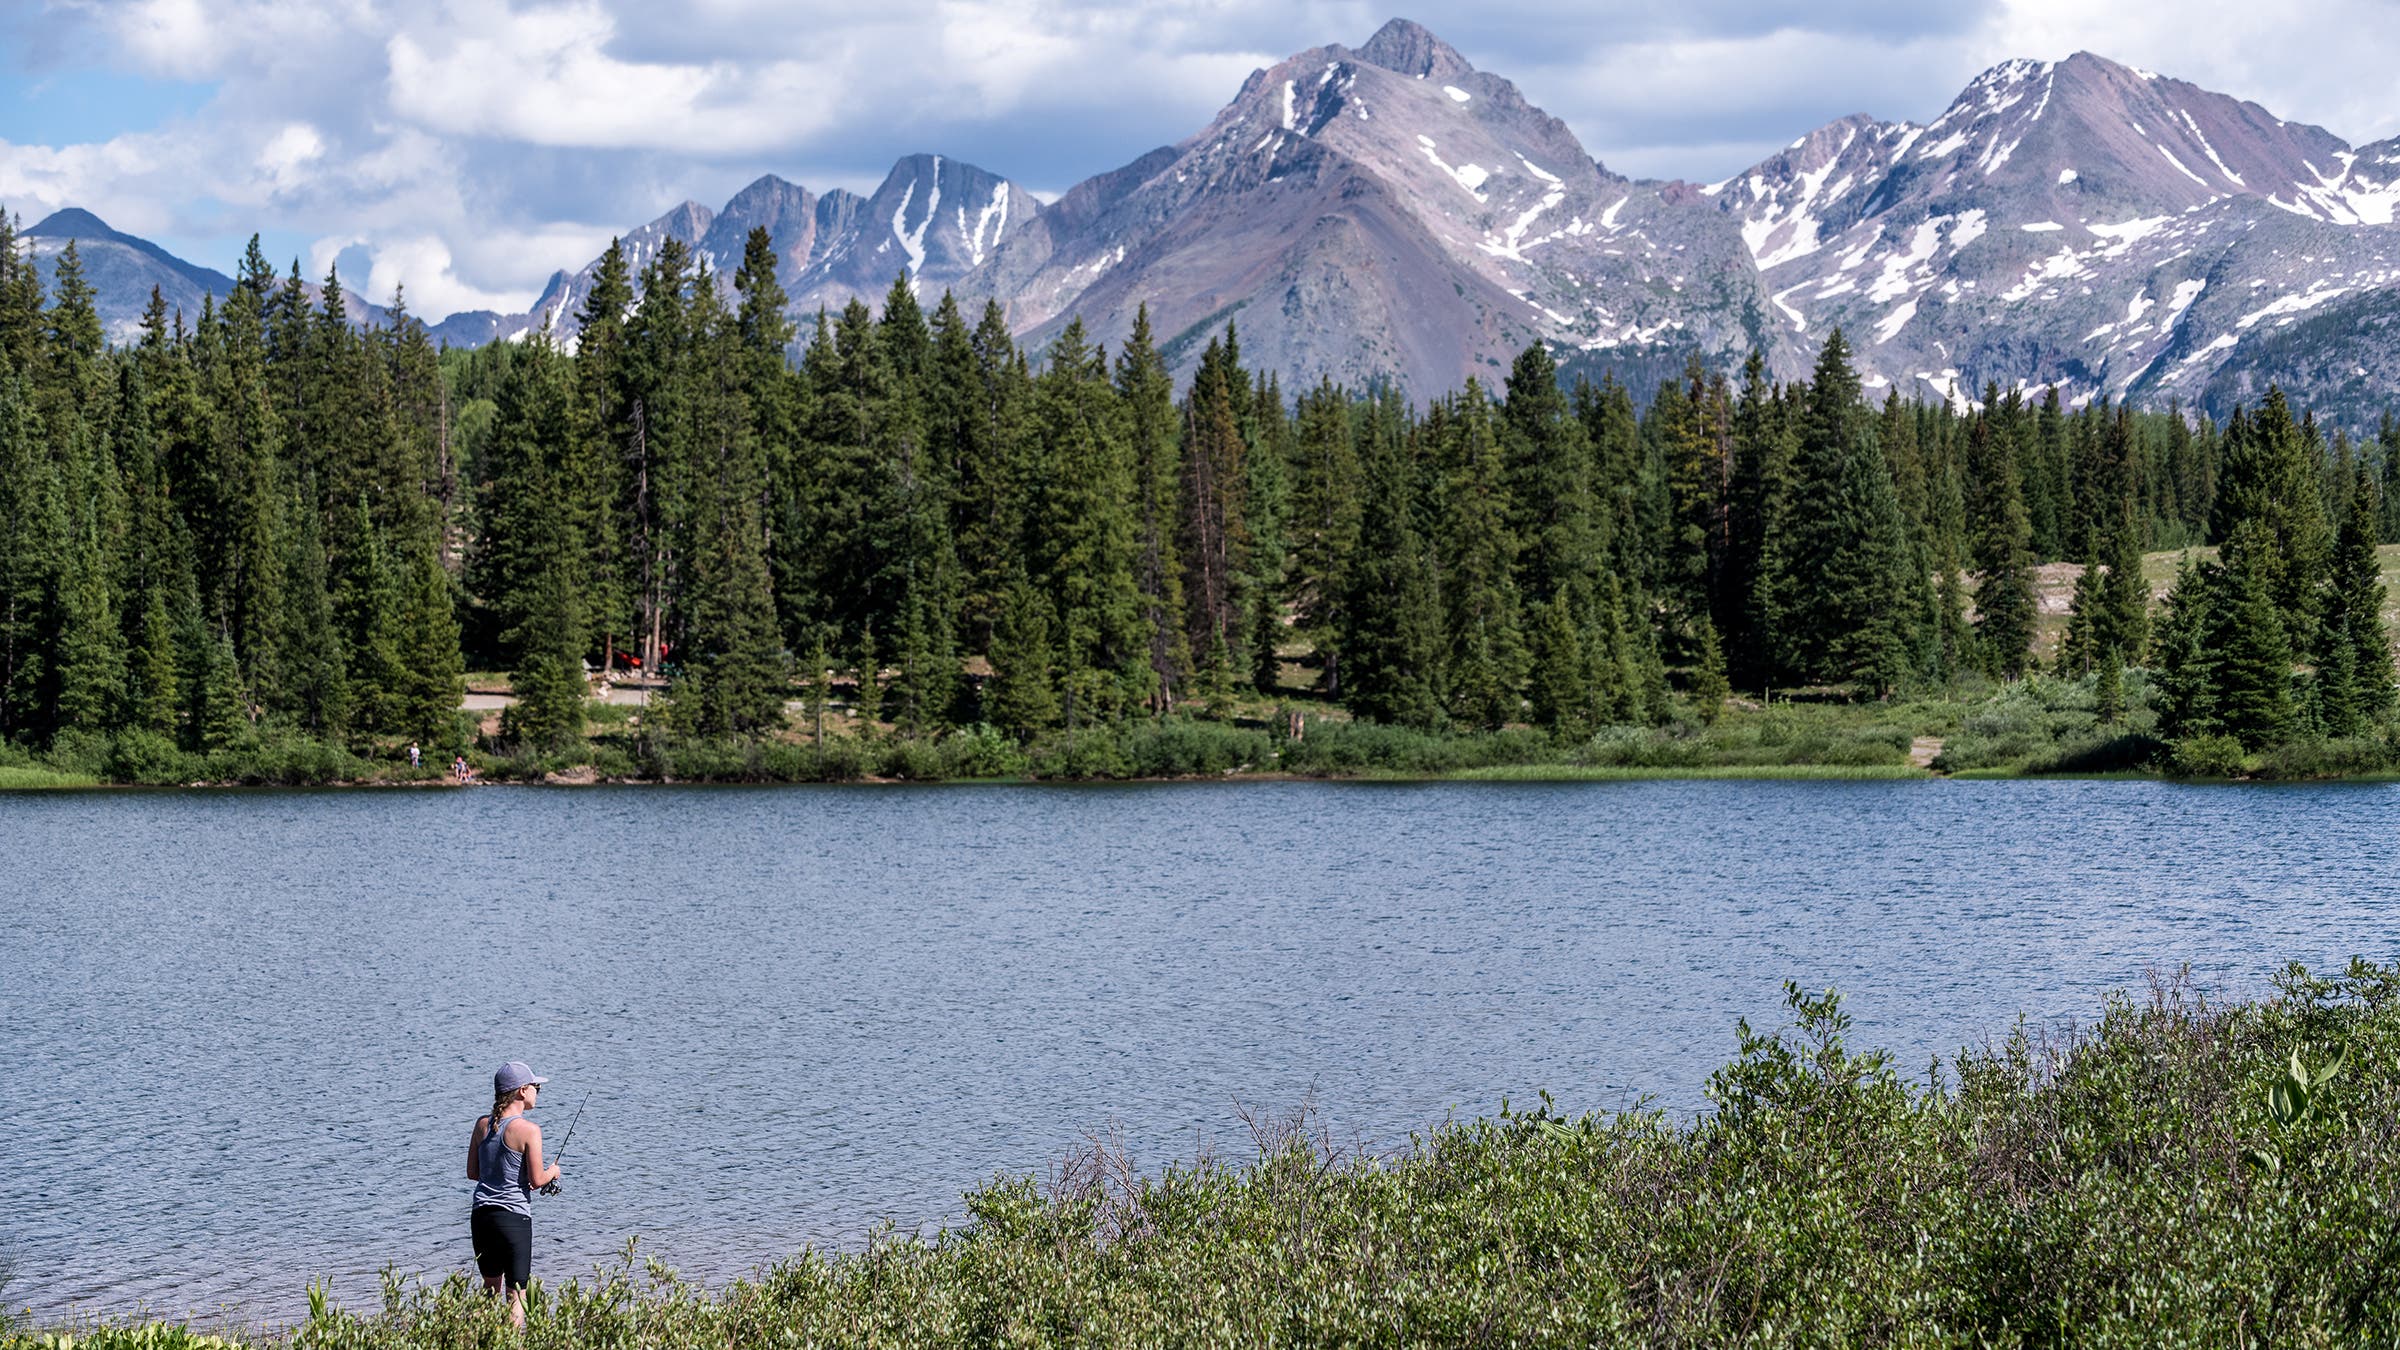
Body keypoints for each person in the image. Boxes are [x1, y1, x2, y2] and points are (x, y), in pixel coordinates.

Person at [466, 1061, 560, 1324]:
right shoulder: (529, 1130)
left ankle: (479, 1338)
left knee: (490, 1287)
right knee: (516, 1294)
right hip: (513, 1220)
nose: (537, 1092)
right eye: (536, 1087)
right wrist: (553, 1171)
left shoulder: (481, 1125)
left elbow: (474, 1173)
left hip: (481, 1217)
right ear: (521, 1091)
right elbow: (538, 1179)